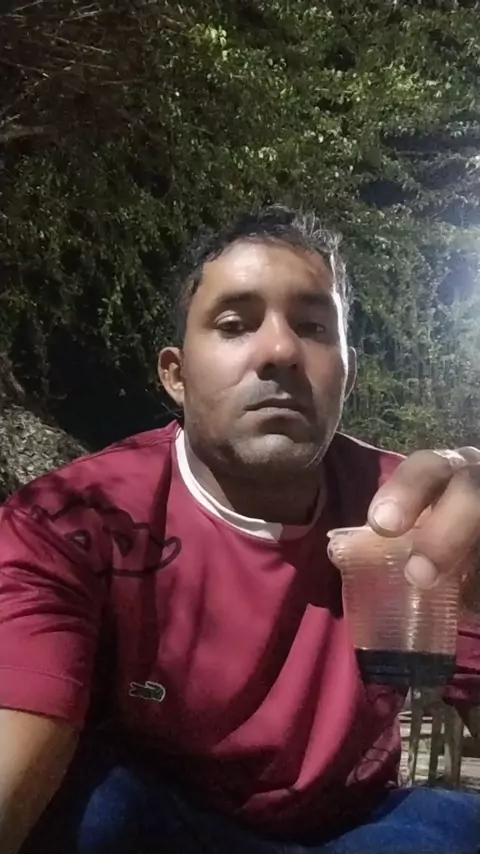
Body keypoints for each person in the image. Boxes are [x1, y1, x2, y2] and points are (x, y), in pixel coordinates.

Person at [1, 206, 480, 854]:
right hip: (163, 826)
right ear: (175, 375)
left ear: (349, 372)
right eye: (234, 324)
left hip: (355, 830)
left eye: (312, 327)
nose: (280, 351)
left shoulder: (424, 518)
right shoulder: (75, 520)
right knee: (89, 806)